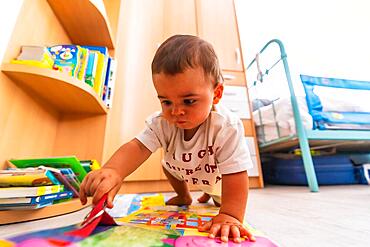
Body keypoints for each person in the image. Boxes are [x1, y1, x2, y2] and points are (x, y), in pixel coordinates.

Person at [79, 34, 255, 243]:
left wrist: (230, 215)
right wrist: (113, 170)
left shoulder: (226, 127)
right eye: (166, 102)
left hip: (219, 182)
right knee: (167, 164)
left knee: (220, 203)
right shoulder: (162, 123)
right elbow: (138, 147)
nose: (176, 111)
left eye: (189, 101)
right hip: (185, 170)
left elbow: (236, 172)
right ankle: (184, 196)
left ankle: (212, 197)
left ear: (216, 94)